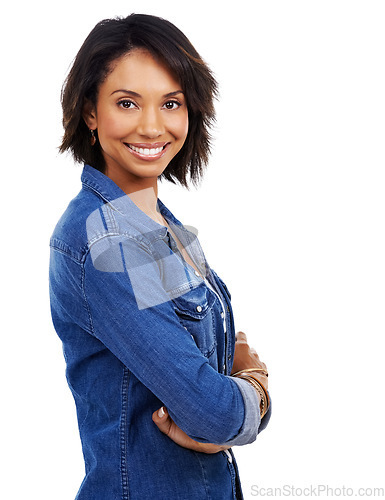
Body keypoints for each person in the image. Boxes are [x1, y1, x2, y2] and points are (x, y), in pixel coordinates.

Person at [49, 13, 271, 500]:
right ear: (91, 113)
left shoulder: (160, 225)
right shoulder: (103, 241)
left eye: (170, 103)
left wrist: (232, 397)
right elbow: (212, 411)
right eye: (127, 103)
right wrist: (257, 388)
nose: (152, 127)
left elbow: (212, 383)